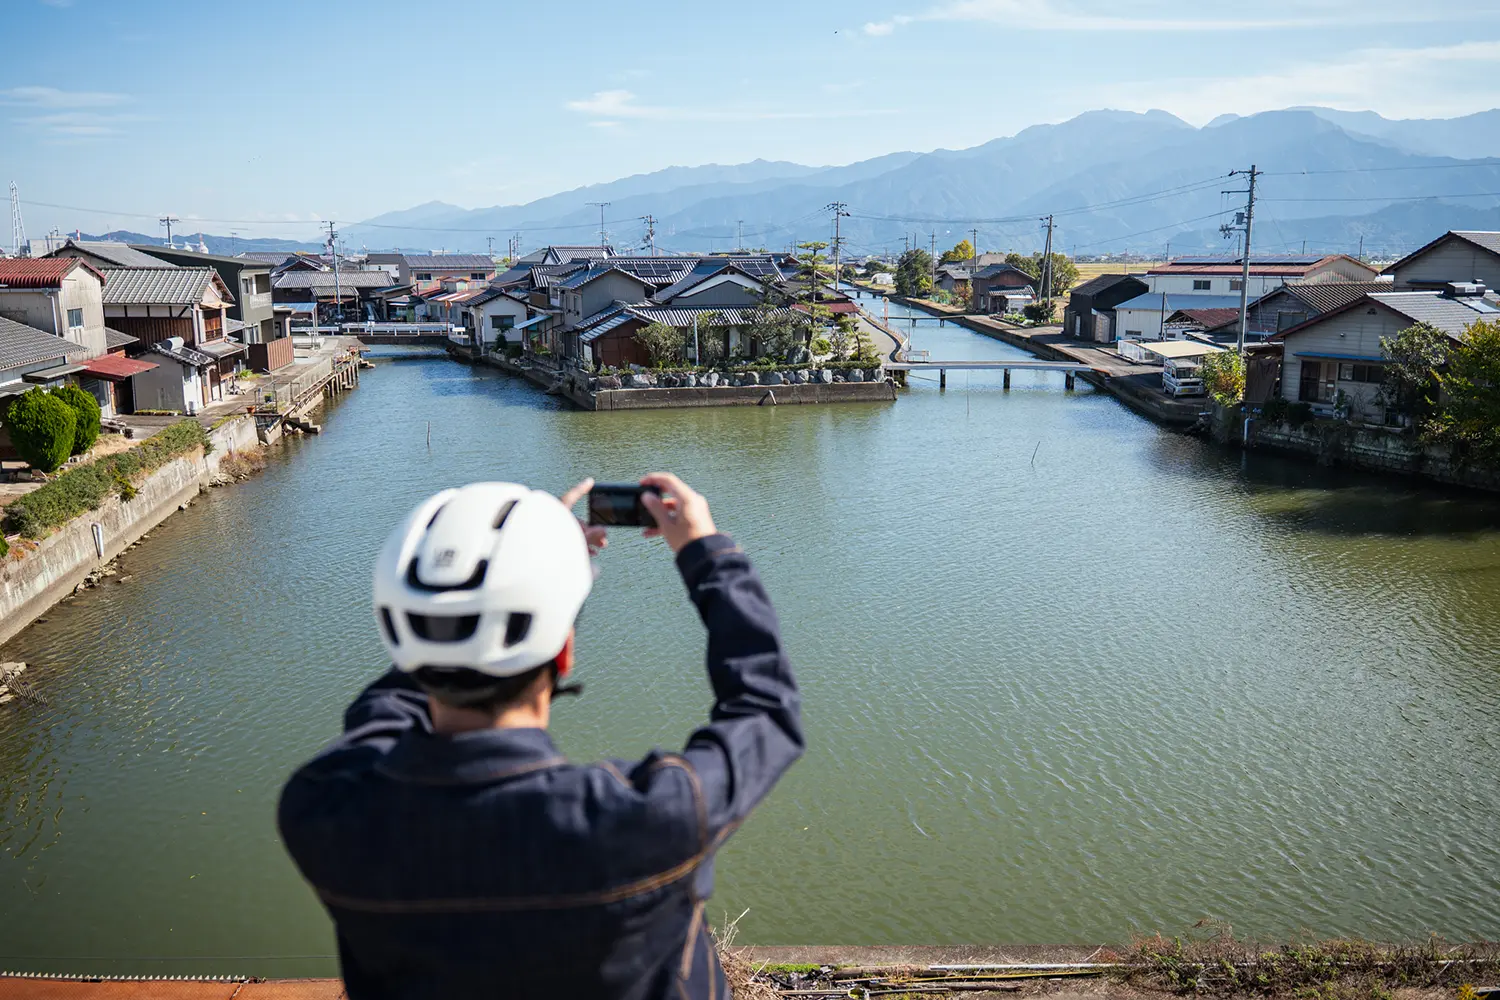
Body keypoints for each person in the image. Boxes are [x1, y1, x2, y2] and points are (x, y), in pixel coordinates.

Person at [278, 473, 803, 999]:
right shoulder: (646, 820)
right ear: (564, 651)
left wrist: (501, 583)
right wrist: (708, 554)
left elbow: (381, 715)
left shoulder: (323, 811)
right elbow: (765, 707)